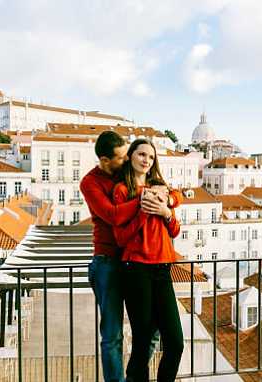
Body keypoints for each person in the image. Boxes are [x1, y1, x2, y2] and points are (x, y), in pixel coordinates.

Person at [80, 131, 175, 382]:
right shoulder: (90, 183)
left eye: (126, 156)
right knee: (113, 334)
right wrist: (146, 199)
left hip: (135, 262)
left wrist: (167, 199)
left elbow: (166, 189)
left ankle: (133, 377)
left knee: (150, 331)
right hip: (108, 260)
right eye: (121, 157)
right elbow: (113, 215)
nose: (125, 160)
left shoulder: (125, 175)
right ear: (105, 160)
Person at [113, 138, 183, 382]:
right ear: (131, 156)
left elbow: (175, 230)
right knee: (142, 342)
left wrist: (166, 210)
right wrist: (143, 211)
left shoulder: (160, 189)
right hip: (136, 269)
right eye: (142, 154)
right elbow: (121, 237)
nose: (146, 160)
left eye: (151, 157)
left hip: (162, 269)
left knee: (175, 342)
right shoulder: (123, 190)